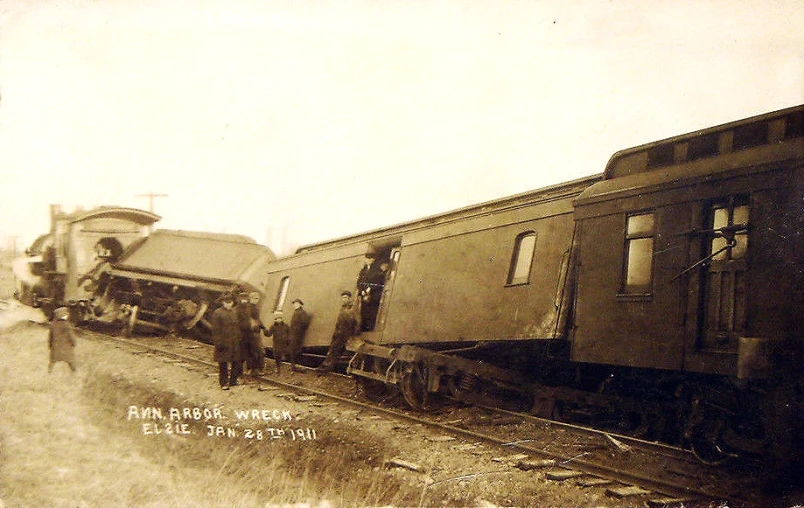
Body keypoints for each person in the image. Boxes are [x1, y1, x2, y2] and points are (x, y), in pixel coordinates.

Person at [317, 290, 359, 374]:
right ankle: (326, 366)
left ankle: (326, 367)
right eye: (343, 298)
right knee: (333, 350)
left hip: (345, 333)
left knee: (335, 350)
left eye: (346, 298)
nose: (344, 299)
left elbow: (356, 321)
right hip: (338, 332)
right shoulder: (343, 308)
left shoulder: (352, 308)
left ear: (349, 298)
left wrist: (353, 334)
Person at [211, 293, 242, 390]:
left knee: (236, 362)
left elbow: (237, 327)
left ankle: (233, 381)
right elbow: (215, 330)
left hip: (234, 342)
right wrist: (218, 343)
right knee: (223, 364)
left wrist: (239, 339)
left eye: (230, 302)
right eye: (226, 302)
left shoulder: (234, 312)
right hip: (223, 342)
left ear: (233, 303)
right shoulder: (217, 313)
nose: (228, 304)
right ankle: (224, 383)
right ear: (223, 302)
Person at [237, 291, 265, 376]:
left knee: (253, 351)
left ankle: (254, 369)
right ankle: (253, 369)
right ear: (251, 299)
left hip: (253, 332)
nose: (257, 300)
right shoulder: (249, 308)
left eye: (258, 299)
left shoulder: (254, 308)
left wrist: (262, 327)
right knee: (255, 351)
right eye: (255, 298)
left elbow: (257, 319)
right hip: (250, 333)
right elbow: (252, 320)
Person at [357, 256, 388, 332]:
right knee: (364, 312)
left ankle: (370, 328)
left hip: (373, 294)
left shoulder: (376, 270)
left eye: (371, 259)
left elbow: (378, 281)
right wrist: (362, 291)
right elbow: (359, 283)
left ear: (373, 260)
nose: (369, 261)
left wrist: (370, 288)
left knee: (372, 312)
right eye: (367, 259)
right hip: (364, 295)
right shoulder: (363, 271)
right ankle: (363, 329)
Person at [48, 306, 77, 373]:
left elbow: (50, 337)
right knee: (70, 361)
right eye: (66, 314)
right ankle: (74, 371)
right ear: (63, 315)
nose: (67, 315)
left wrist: (50, 346)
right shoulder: (67, 324)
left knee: (53, 361)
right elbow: (71, 336)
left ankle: (50, 371)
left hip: (56, 347)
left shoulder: (53, 325)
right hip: (66, 347)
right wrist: (74, 343)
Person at [288, 298, 311, 372]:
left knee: (295, 349)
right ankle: (293, 365)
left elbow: (305, 323)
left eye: (297, 304)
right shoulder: (296, 312)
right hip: (293, 333)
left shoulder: (302, 312)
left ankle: (294, 365)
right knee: (292, 348)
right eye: (294, 304)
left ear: (300, 304)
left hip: (297, 334)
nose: (295, 305)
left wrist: (298, 329)